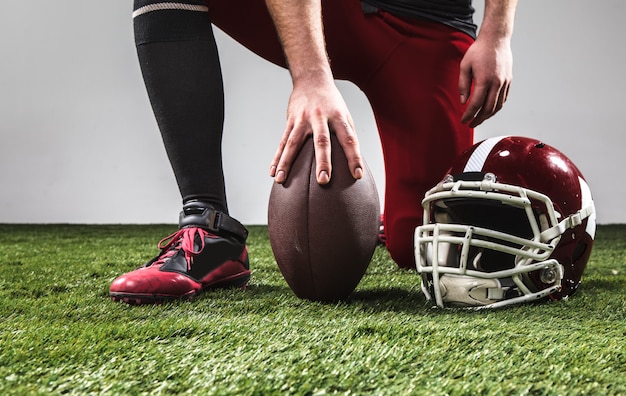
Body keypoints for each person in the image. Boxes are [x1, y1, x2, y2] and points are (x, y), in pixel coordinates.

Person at [110, 0, 517, 305]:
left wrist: (497, 34)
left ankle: (385, 221)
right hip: (330, 10)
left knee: (423, 244)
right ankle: (209, 226)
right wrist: (310, 77)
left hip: (428, 21)